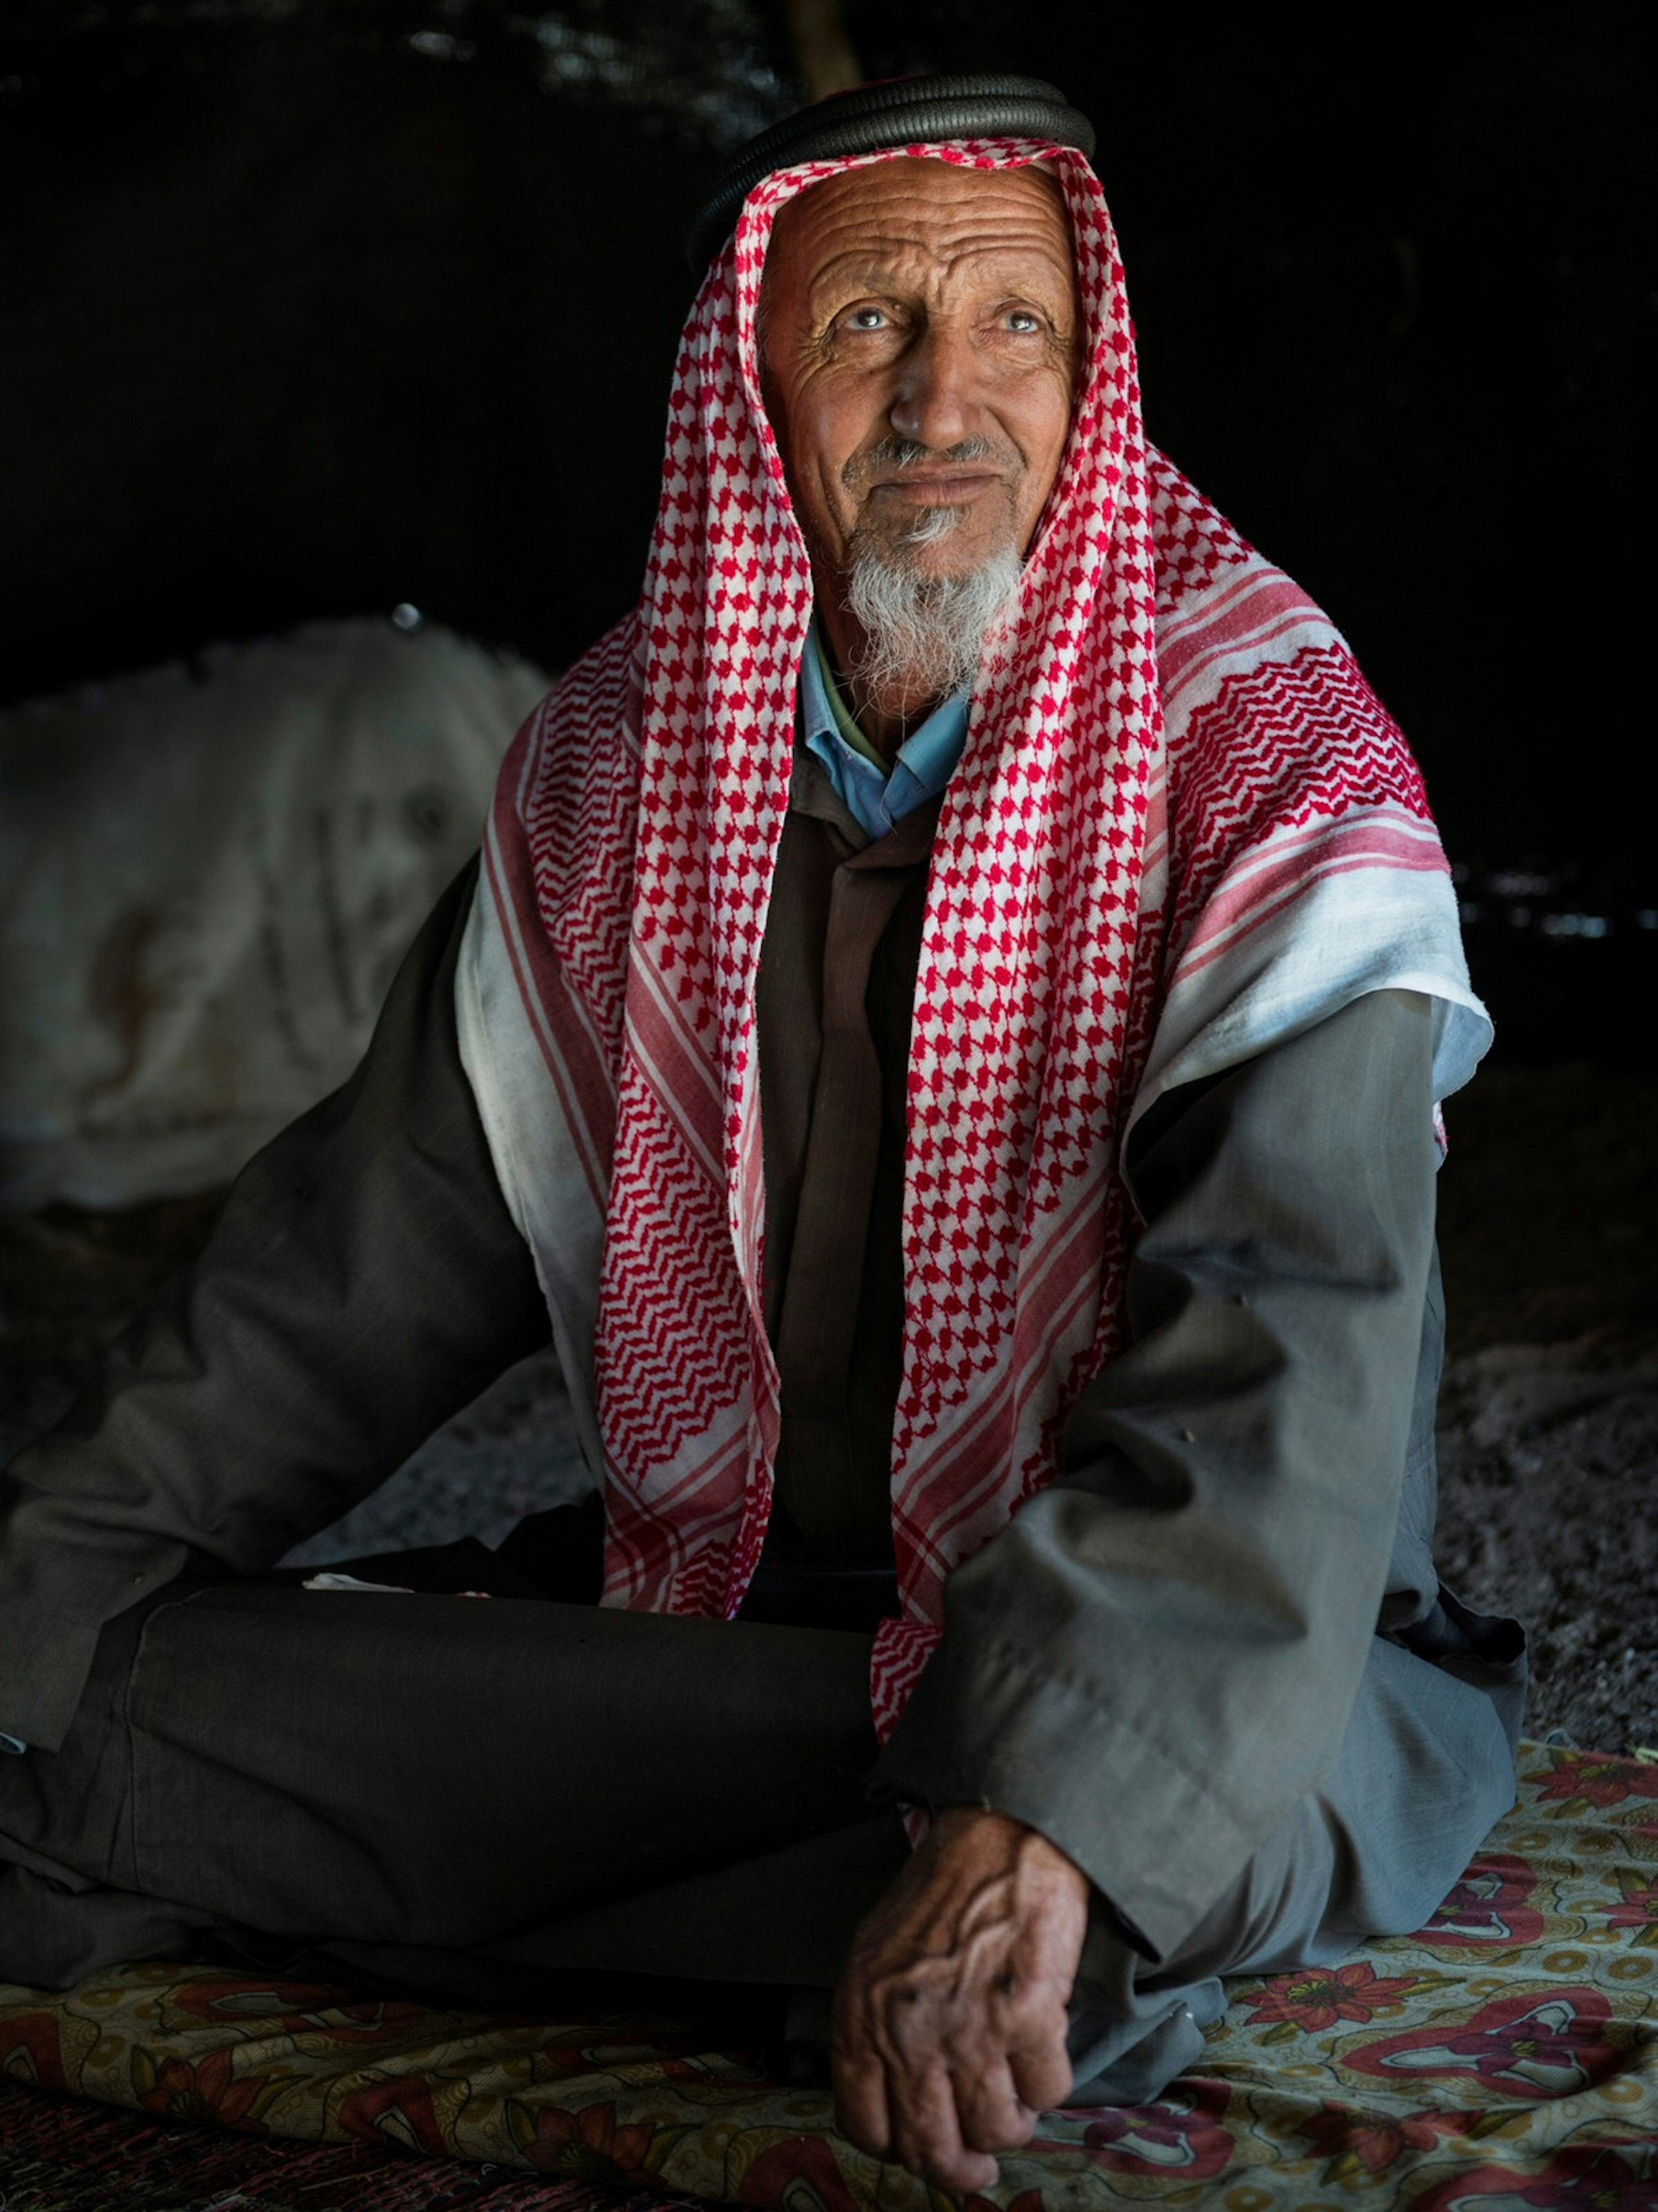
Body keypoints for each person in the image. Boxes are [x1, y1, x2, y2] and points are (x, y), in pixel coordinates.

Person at [0, 76, 1525, 2195]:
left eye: (1014, 329)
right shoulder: (620, 768)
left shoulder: (1274, 760)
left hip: (1228, 1645)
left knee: (1161, 1822)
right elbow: (326, 1294)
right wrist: (30, 1596)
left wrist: (1042, 1809)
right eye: (867, 331)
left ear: (1093, 384)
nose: (944, 404)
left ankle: (989, 1891)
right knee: (98, 1692)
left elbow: (1293, 1361)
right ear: (752, 386)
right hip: (734, 1652)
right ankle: (880, 1921)